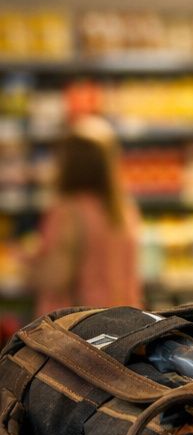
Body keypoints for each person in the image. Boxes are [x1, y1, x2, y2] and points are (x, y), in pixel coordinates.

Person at [29, 115, 143, 316]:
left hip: (78, 327)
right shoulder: (123, 208)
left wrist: (28, 266)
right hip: (124, 322)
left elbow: (57, 278)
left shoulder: (69, 210)